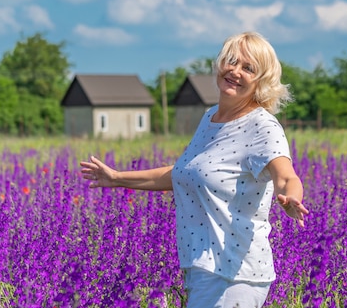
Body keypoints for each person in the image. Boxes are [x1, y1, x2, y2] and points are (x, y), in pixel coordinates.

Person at [80, 31, 309, 308]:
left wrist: (290, 197)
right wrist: (116, 178)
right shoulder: (209, 118)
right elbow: (185, 172)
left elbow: (285, 174)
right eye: (231, 61)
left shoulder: (262, 126)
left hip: (234, 274)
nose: (235, 71)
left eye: (248, 68)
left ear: (261, 81)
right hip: (202, 266)